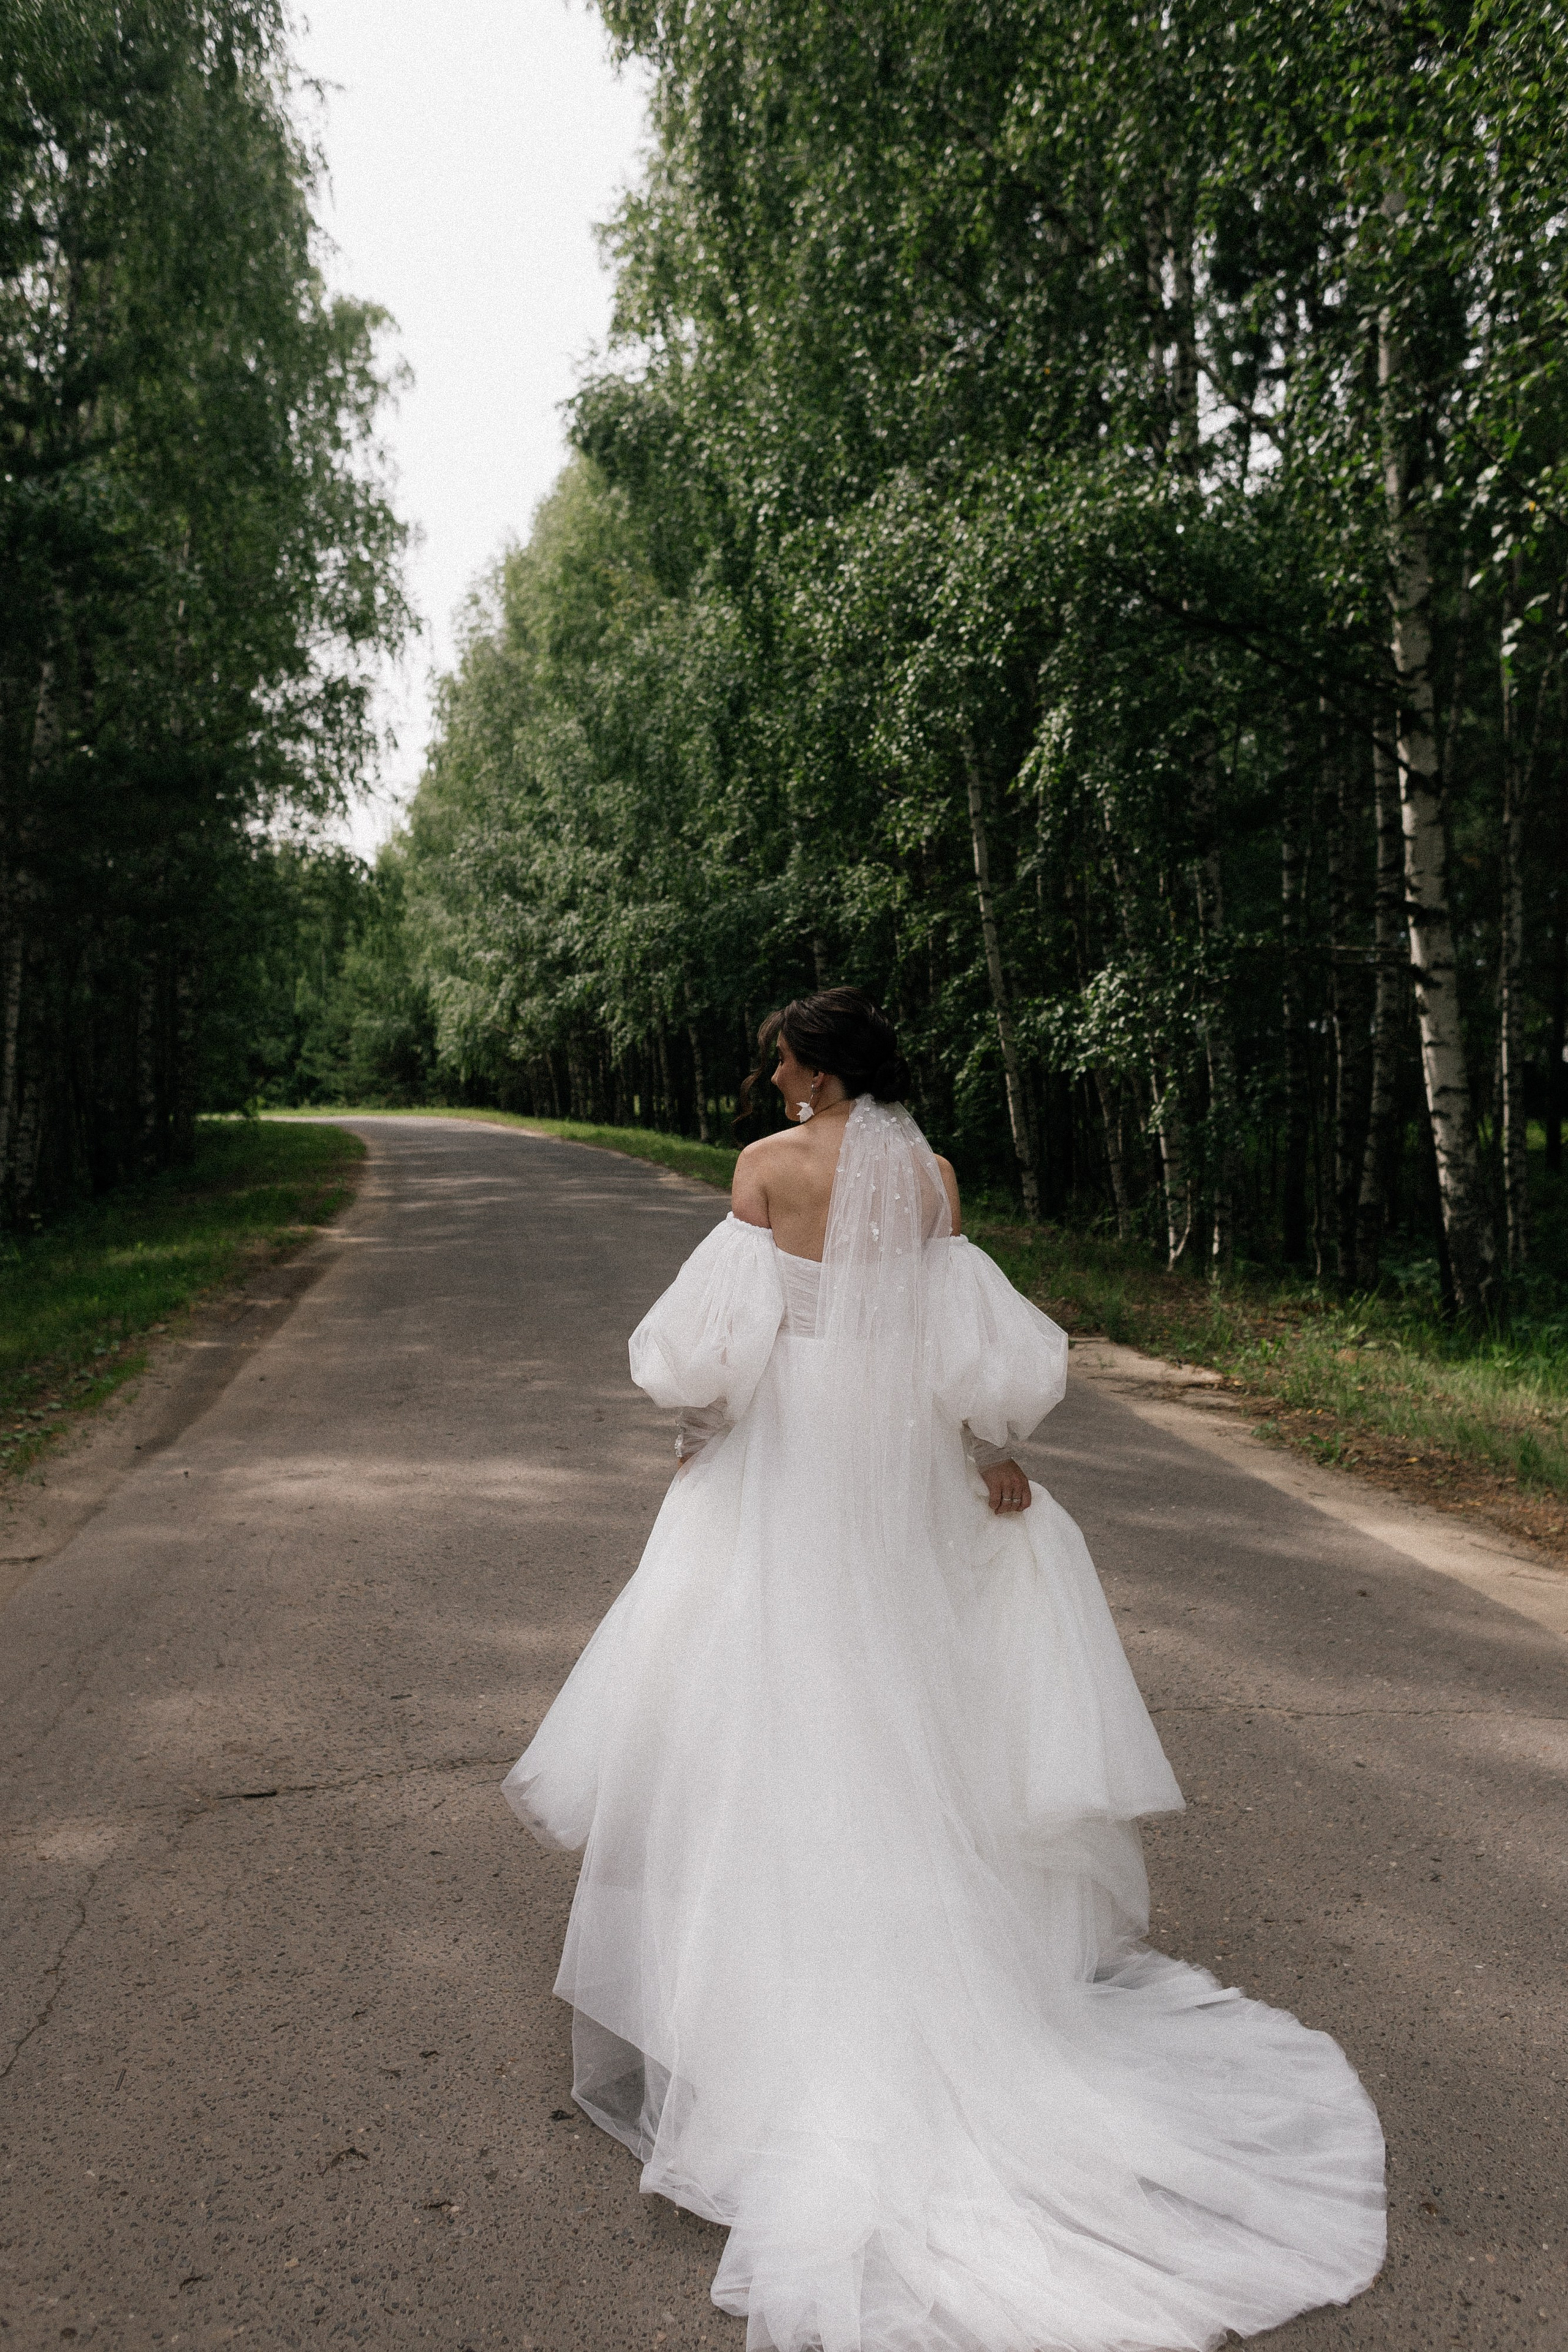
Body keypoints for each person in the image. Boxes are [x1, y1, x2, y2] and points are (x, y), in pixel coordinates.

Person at [503, 987, 1385, 2352]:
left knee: (766, 1711)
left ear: (813, 1069)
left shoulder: (764, 1171)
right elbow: (963, 1348)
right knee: (905, 1703)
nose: (769, 1070)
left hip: (789, 1466)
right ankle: (922, 1965)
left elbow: (711, 1354)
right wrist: (989, 1453)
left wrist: (693, 1433)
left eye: (777, 1054)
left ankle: (762, 2007)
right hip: (901, 1468)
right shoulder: (931, 1177)